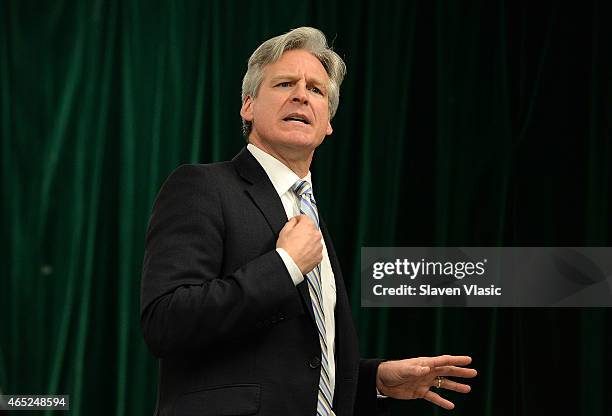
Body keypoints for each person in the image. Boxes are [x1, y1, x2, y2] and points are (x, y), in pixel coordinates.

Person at [140, 27, 476, 416]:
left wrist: (377, 379)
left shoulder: (308, 213)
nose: (302, 94)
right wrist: (284, 266)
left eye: (316, 90)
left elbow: (292, 365)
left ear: (328, 123)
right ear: (248, 106)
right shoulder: (203, 186)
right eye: (285, 83)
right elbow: (165, 322)